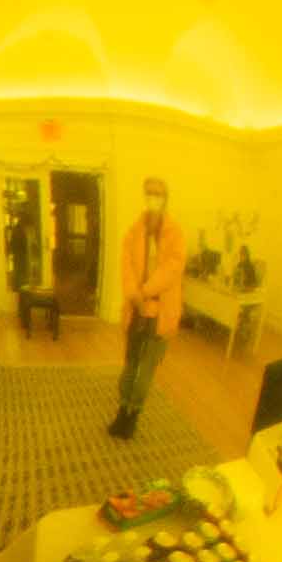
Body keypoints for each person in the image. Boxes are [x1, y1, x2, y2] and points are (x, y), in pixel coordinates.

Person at [109, 172, 186, 439]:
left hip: (160, 312)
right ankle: (122, 410)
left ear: (165, 199)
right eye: (149, 192)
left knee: (146, 369)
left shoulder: (175, 233)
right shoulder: (135, 230)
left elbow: (172, 269)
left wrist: (145, 291)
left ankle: (133, 414)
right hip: (136, 308)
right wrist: (134, 294)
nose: (153, 197)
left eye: (158, 193)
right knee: (130, 364)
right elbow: (126, 264)